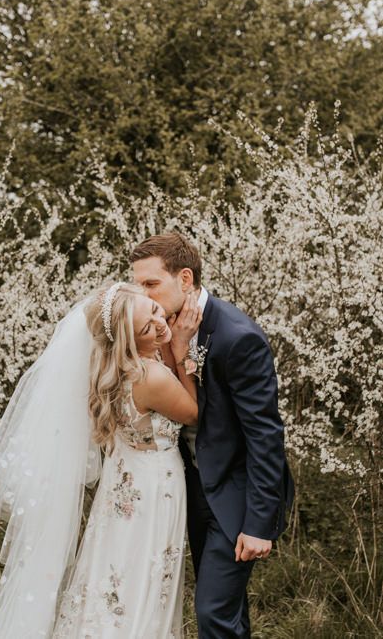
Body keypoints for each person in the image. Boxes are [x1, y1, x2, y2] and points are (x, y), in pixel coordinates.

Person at [0, 281, 202, 638]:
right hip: (153, 488)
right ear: (129, 341)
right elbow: (193, 413)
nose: (161, 322)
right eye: (148, 326)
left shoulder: (109, 372)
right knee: (141, 575)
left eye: (155, 310)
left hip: (122, 483)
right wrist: (180, 346)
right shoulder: (151, 376)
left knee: (113, 571)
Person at [131, 232, 295, 639]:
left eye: (151, 283)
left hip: (237, 495)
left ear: (185, 279)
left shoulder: (238, 338)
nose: (142, 294)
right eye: (137, 284)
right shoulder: (157, 330)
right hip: (193, 490)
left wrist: (258, 524)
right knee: (228, 611)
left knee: (212, 613)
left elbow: (265, 436)